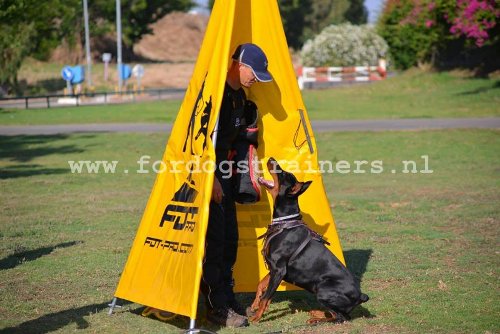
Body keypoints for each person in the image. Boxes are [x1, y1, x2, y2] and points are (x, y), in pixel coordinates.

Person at [201, 43, 272, 328]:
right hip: (211, 176)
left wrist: (251, 177)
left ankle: (227, 297)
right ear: (238, 64)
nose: (256, 78)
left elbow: (240, 143)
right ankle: (215, 306)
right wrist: (212, 178)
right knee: (215, 243)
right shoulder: (216, 95)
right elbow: (202, 142)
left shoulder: (240, 96)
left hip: (228, 175)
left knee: (230, 241)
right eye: (254, 72)